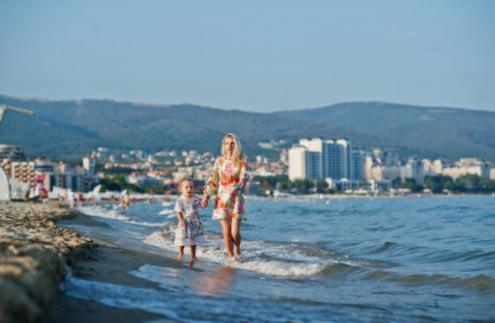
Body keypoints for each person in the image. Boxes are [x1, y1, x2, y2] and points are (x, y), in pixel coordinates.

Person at [202, 133, 248, 262]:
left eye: (232, 143)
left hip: (236, 199)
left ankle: (237, 250)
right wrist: (206, 196)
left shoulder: (241, 162)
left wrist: (243, 181)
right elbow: (213, 179)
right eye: (226, 143)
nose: (229, 146)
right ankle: (231, 258)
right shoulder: (219, 161)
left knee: (235, 233)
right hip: (222, 199)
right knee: (226, 232)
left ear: (236, 145)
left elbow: (244, 176)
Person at [174, 178, 206, 265]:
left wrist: (205, 199)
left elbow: (203, 205)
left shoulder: (196, 199)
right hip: (184, 222)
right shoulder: (179, 200)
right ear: (181, 189)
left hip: (194, 222)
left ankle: (193, 255)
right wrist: (180, 220)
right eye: (186, 187)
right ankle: (181, 253)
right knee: (181, 238)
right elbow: (178, 211)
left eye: (191, 187)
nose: (189, 189)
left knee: (193, 240)